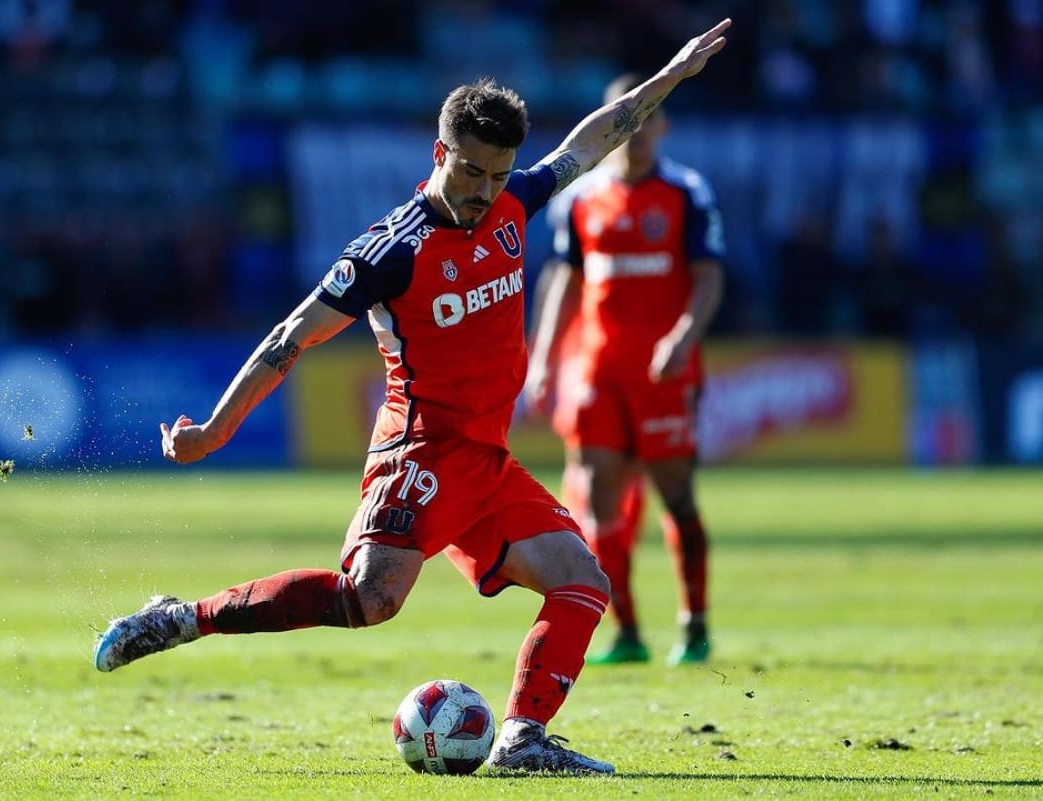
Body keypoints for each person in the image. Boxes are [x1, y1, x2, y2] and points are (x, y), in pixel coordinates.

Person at [94, 20, 730, 775]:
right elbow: (292, 335)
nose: (484, 192)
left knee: (582, 584)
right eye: (471, 173)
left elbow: (594, 139)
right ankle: (180, 619)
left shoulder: (514, 203)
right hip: (420, 452)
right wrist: (214, 429)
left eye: (498, 175)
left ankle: (522, 740)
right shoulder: (390, 250)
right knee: (369, 600)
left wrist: (671, 75)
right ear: (439, 154)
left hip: (485, 461)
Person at [524, 73, 725, 667]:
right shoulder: (581, 199)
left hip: (663, 370)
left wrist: (683, 337)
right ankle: (627, 630)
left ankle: (694, 624)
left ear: (663, 126)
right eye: (626, 119)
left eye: (646, 118)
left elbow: (709, 276)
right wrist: (544, 357)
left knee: (675, 492)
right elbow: (563, 279)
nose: (635, 131)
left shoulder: (686, 193)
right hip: (597, 368)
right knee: (597, 492)